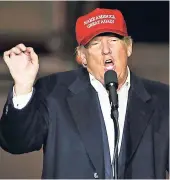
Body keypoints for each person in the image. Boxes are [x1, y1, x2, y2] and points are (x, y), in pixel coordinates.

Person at [0, 8, 169, 179]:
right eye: (95, 44)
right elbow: (16, 143)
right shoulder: (53, 92)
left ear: (129, 47)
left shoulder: (163, 99)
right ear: (82, 57)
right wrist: (23, 86)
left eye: (113, 40)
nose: (106, 50)